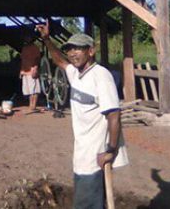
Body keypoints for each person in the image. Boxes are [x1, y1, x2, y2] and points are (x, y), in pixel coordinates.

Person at [37, 21, 128, 209]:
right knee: (87, 201)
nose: (72, 53)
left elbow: (113, 115)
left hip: (95, 156)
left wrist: (110, 151)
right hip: (81, 152)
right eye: (70, 49)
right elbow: (59, 61)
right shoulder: (76, 74)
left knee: (86, 204)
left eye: (78, 49)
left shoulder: (101, 77)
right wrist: (46, 40)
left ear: (91, 51)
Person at [19, 31, 42, 112]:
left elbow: (37, 59)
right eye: (26, 37)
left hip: (32, 70)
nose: (27, 39)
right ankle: (30, 105)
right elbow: (22, 60)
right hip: (25, 71)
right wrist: (21, 70)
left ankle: (33, 105)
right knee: (28, 90)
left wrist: (35, 68)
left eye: (28, 37)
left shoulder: (35, 48)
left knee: (34, 89)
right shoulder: (24, 48)